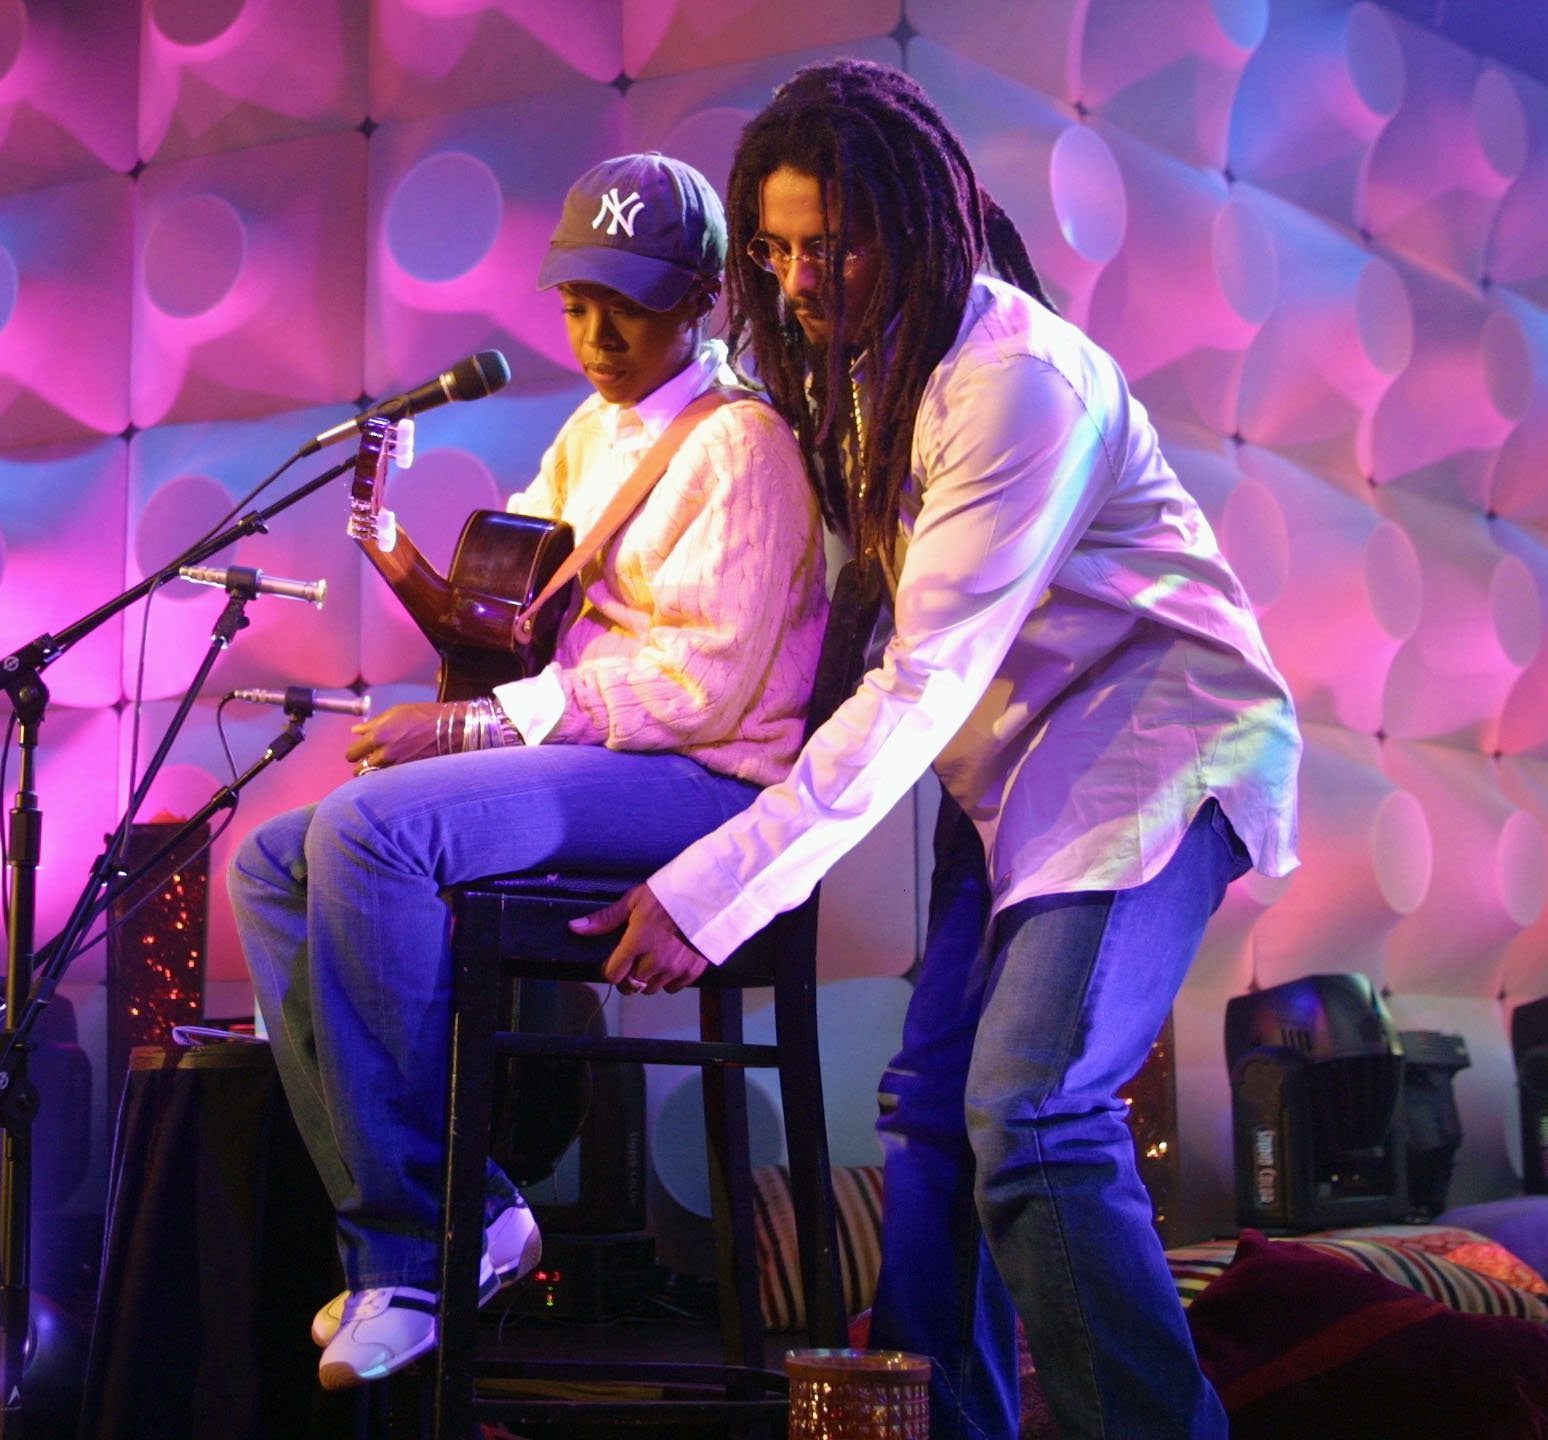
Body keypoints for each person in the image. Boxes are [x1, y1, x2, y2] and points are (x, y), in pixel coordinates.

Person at [580, 60, 1303, 1440]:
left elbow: (920, 685)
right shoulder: (844, 373)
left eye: (833, 243)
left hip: (1153, 746)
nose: (801, 278)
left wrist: (716, 886)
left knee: (1029, 1115)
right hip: (1015, 772)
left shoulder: (1016, 381)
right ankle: (929, 1423)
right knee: (926, 1110)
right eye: (779, 248)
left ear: (921, 224)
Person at [228, 152, 829, 1391]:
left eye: (633, 300)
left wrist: (467, 733)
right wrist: (397, 553)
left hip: (703, 787)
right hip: (600, 759)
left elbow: (702, 688)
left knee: (368, 837)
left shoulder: (745, 447)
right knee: (272, 863)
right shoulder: (592, 433)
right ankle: (472, 1210)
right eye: (577, 301)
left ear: (705, 295)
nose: (599, 330)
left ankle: (408, 1253)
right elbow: (514, 620)